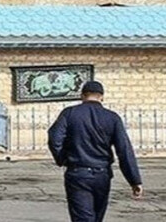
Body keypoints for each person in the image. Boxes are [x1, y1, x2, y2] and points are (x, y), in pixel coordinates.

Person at [47, 81, 143, 222]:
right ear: (102, 97)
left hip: (78, 173)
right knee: (97, 217)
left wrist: (62, 159)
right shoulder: (112, 118)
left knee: (82, 217)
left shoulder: (70, 113)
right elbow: (124, 150)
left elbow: (54, 138)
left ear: (82, 96)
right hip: (102, 174)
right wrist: (134, 180)